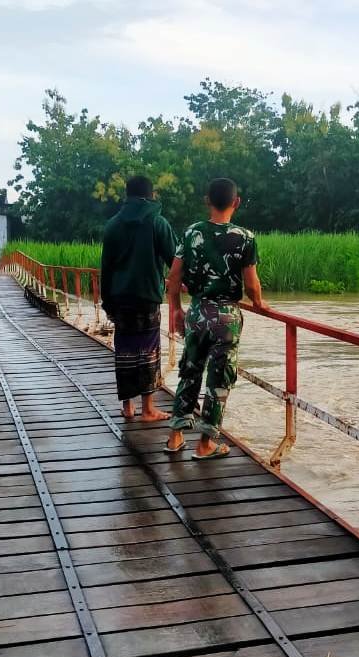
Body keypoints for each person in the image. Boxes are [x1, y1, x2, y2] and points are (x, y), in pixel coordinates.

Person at [165, 178, 265, 459]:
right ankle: (205, 444)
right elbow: (252, 284)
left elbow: (174, 277)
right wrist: (259, 303)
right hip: (226, 318)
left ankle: (175, 437)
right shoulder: (245, 237)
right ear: (236, 202)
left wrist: (176, 309)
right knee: (219, 379)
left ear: (207, 200)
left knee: (190, 371)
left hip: (197, 312)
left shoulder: (192, 232)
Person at [101, 175, 178, 421]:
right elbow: (175, 259)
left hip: (119, 299)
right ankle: (148, 409)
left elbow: (106, 269)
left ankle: (127, 407)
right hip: (147, 298)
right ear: (151, 195)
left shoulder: (112, 225)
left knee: (124, 350)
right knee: (148, 351)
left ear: (127, 195)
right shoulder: (158, 223)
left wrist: (107, 302)